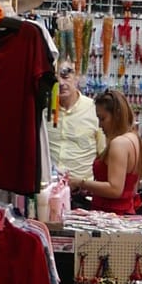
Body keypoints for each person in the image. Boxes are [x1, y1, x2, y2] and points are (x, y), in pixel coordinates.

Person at [79, 91, 142, 213]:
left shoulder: (119, 144)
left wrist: (81, 183)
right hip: (123, 212)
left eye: (103, 119)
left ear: (117, 115)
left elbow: (115, 189)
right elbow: (131, 187)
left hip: (111, 216)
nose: (100, 125)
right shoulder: (133, 137)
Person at [46, 59, 103, 188]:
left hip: (82, 193)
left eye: (66, 76)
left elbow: (104, 155)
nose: (61, 83)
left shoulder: (94, 110)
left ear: (76, 77)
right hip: (50, 190)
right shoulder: (45, 111)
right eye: (55, 78)